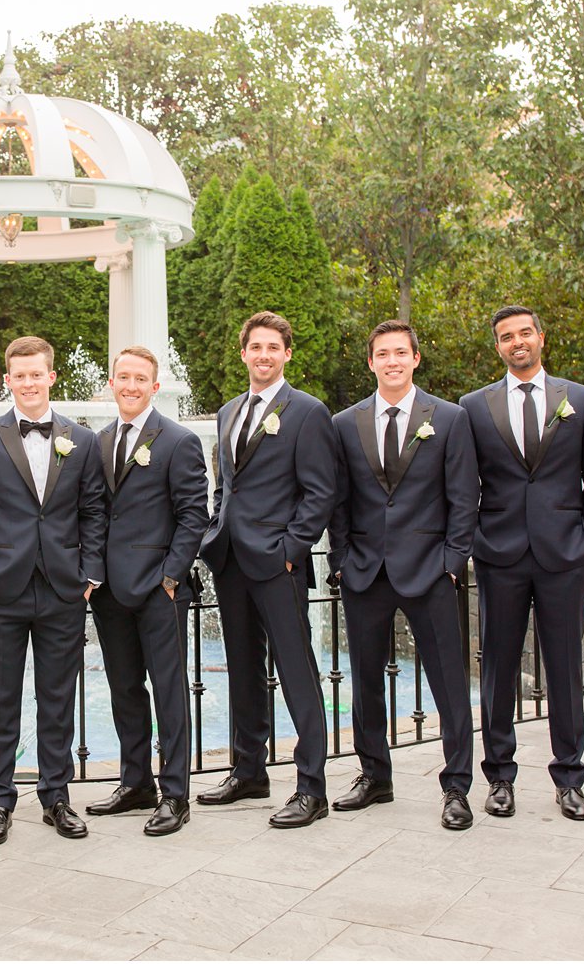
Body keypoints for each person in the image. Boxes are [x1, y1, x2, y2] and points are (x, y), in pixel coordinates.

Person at [459, 305, 584, 822]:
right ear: (497, 346)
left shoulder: (582, 400)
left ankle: (570, 778)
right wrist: (477, 538)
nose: (517, 342)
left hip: (564, 554)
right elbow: (464, 485)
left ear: (541, 338)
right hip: (499, 555)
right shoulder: (474, 408)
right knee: (498, 669)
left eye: (525, 333)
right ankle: (499, 777)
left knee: (565, 668)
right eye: (507, 337)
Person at [326, 320, 478, 830]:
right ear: (370, 363)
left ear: (416, 358)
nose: (391, 361)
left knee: (448, 685)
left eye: (400, 353)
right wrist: (342, 561)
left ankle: (456, 787)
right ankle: (375, 777)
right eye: (382, 354)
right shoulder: (345, 423)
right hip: (365, 572)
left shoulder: (450, 419)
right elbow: (339, 500)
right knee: (365, 681)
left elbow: (463, 498)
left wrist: (452, 564)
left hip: (430, 573)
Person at [0, 336, 107, 845]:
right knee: (0, 702)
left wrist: (89, 576)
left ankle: (56, 797)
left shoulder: (82, 441)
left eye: (36, 374)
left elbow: (93, 514)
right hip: (1, 591)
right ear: (7, 380)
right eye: (18, 376)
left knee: (57, 698)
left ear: (52, 377)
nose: (28, 383)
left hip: (64, 589)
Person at [198, 311, 341, 829]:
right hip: (231, 560)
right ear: (244, 353)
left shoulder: (307, 412)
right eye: (254, 346)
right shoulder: (228, 411)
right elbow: (226, 483)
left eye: (272, 347)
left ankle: (312, 787)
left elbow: (321, 492)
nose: (263, 355)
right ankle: (249, 770)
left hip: (277, 563)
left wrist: (290, 550)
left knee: (297, 672)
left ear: (286, 354)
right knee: (242, 669)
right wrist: (217, 527)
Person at [85, 347, 209, 836]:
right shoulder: (97, 442)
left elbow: (193, 515)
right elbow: (94, 513)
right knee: (124, 689)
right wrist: (91, 577)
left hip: (159, 588)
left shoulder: (178, 441)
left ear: (154, 386)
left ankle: (175, 794)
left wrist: (171, 577)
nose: (131, 386)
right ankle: (135, 783)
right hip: (110, 591)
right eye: (123, 377)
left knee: (170, 691)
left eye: (140, 379)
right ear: (112, 383)